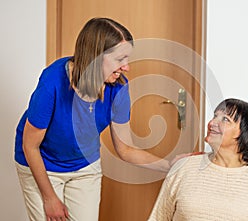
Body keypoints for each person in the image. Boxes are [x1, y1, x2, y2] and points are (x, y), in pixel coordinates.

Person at [14, 17, 171, 221]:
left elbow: (125, 149)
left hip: (84, 166)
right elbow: (30, 145)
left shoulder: (119, 88)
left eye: (127, 59)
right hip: (43, 164)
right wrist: (49, 198)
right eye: (119, 59)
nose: (126, 67)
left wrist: (170, 165)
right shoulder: (52, 81)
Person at [148, 98, 248, 221]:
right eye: (215, 116)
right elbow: (158, 217)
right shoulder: (184, 167)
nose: (212, 123)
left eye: (225, 119)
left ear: (246, 134)